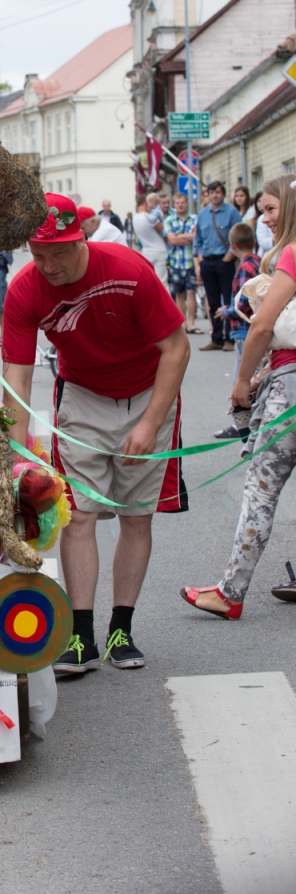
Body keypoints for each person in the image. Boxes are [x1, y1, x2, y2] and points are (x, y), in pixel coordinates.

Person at [1, 193, 189, 672]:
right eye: (38, 256)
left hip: (148, 393)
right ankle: (79, 637)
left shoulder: (129, 270)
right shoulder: (25, 290)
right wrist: (17, 456)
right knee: (78, 516)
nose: (49, 267)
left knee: (135, 515)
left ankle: (121, 629)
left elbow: (176, 348)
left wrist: (149, 425)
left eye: (59, 253)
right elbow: (18, 380)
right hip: (82, 397)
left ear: (80, 237)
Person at [181, 175, 296, 618]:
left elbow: (263, 327)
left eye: (270, 209)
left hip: (289, 390)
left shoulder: (291, 252)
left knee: (260, 491)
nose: (262, 219)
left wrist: (242, 380)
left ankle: (230, 592)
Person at [213, 221, 260, 440]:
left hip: (243, 329)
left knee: (241, 378)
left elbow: (244, 302)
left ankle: (240, 423)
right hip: (251, 327)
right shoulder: (258, 262)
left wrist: (227, 311)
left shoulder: (244, 268)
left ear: (232, 245)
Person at [194, 180, 241, 352]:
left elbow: (239, 233)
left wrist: (229, 255)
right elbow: (197, 238)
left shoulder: (231, 212)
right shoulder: (203, 214)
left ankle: (230, 338)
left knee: (228, 300)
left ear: (223, 194)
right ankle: (216, 338)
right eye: (212, 192)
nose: (214, 195)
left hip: (224, 260)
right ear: (208, 194)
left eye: (218, 192)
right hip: (207, 261)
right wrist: (199, 258)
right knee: (212, 301)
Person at [164, 192, 199, 334]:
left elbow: (197, 237)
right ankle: (182, 324)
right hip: (175, 262)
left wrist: (179, 236)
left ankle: (191, 322)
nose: (180, 205)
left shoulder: (195, 219)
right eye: (177, 203)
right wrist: (188, 238)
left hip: (190, 261)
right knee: (179, 294)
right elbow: (172, 240)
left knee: (191, 292)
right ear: (174, 205)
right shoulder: (169, 220)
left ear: (187, 203)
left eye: (182, 202)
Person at [132, 193, 168, 281]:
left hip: (146, 251)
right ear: (146, 203)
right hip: (159, 250)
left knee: (150, 280)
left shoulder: (135, 218)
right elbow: (163, 228)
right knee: (162, 281)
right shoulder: (148, 217)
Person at [254, 190, 274, 256]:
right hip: (267, 258)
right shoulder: (260, 219)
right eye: (259, 201)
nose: (261, 203)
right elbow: (262, 242)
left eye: (271, 208)